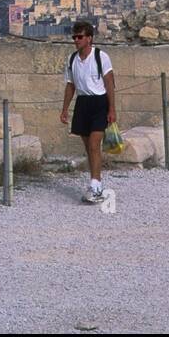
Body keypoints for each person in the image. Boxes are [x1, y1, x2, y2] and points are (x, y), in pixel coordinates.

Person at [59, 21, 116, 204]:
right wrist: (65, 109)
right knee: (88, 148)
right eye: (74, 37)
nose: (76, 40)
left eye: (80, 37)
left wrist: (112, 109)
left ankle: (96, 186)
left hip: (99, 102)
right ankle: (95, 181)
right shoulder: (72, 59)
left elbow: (109, 84)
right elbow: (70, 86)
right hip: (82, 103)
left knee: (94, 145)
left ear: (89, 38)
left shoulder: (101, 57)